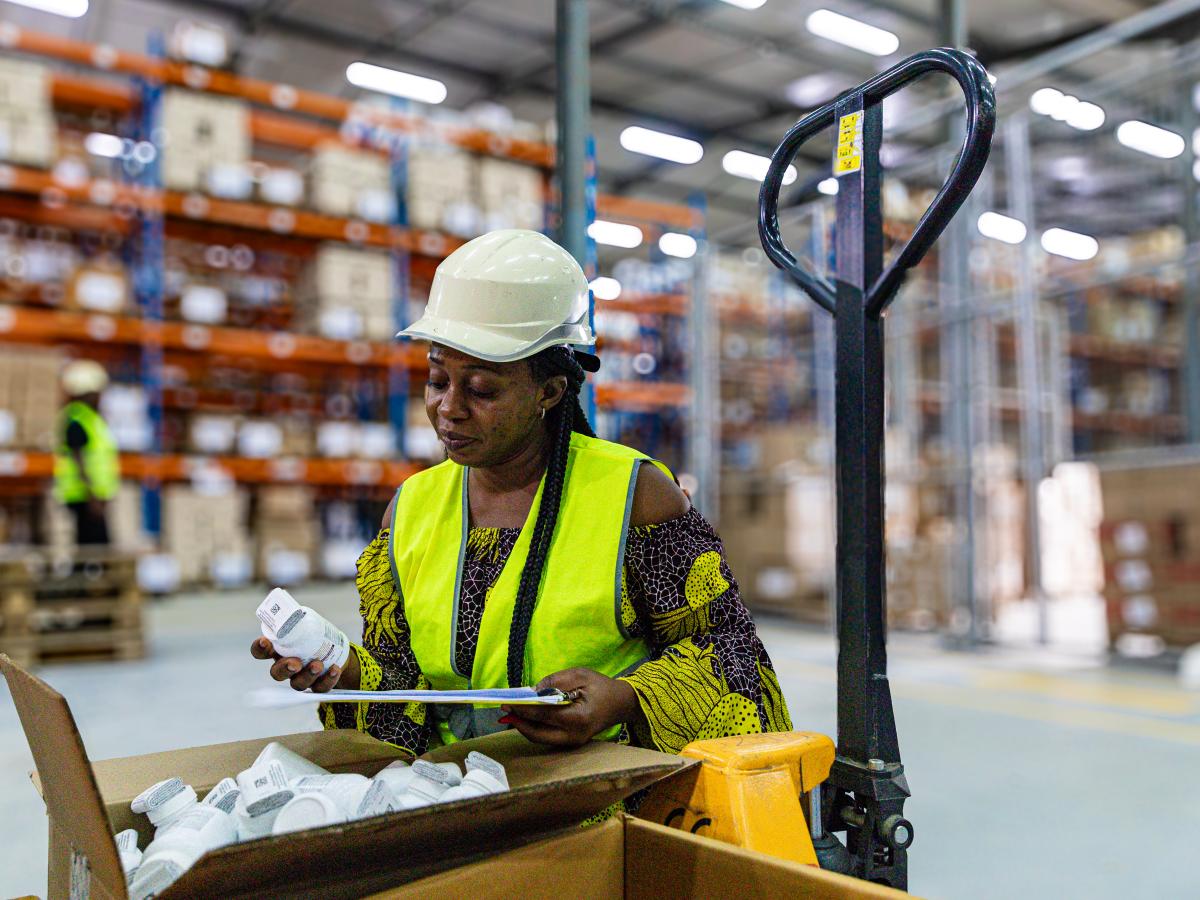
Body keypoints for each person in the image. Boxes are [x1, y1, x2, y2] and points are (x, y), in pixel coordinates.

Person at [253, 229, 791, 755]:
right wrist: (341, 666)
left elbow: (731, 655)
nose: (449, 407)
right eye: (438, 380)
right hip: (455, 794)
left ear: (550, 391)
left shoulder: (635, 496)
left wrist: (625, 699)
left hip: (598, 797)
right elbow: (405, 684)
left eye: (482, 388)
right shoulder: (411, 508)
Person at [55, 359, 118, 546]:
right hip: (84, 497)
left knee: (98, 548)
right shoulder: (76, 420)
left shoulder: (90, 418)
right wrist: (92, 495)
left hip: (93, 496)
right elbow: (78, 458)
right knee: (91, 551)